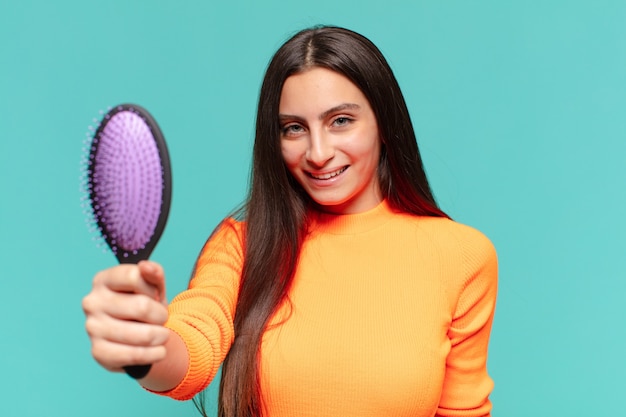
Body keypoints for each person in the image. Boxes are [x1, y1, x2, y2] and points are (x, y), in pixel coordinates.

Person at [82, 25, 498, 417]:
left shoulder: (461, 256)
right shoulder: (242, 244)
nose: (318, 153)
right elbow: (196, 339)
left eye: (341, 121)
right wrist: (146, 349)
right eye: (294, 128)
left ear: (384, 124)